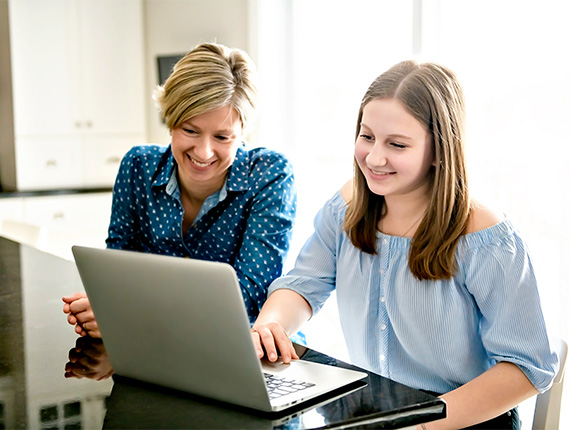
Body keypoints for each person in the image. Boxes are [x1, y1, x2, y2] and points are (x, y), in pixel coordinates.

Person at [250, 60, 559, 429]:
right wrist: (270, 323)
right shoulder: (345, 208)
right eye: (367, 137)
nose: (374, 157)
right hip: (376, 413)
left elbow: (527, 367)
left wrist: (422, 425)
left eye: (396, 144)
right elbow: (303, 285)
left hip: (459, 419)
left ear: (440, 150)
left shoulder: (486, 238)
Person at [63, 42, 297, 338]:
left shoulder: (268, 174)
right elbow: (117, 272)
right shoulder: (138, 166)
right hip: (154, 340)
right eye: (190, 131)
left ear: (242, 133)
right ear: (170, 120)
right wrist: (105, 308)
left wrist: (128, 310)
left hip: (240, 342)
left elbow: (249, 295)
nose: (204, 152)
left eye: (223, 137)